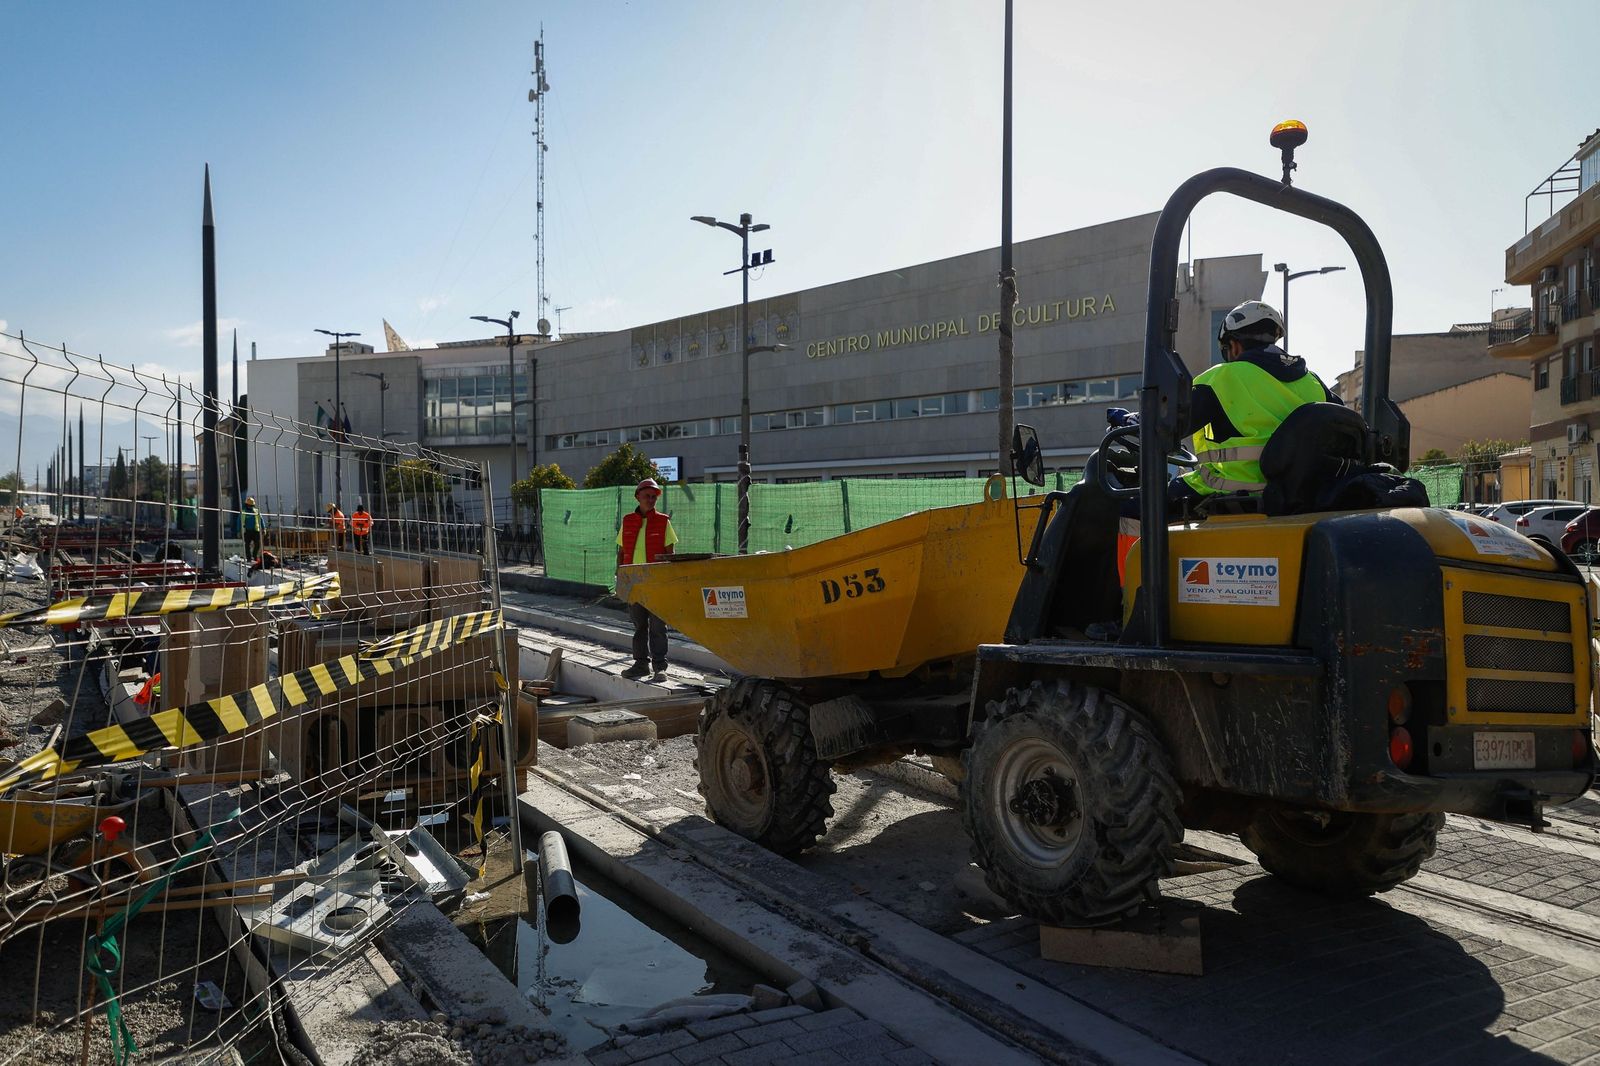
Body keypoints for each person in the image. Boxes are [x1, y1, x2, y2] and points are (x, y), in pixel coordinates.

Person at [1174, 300, 1340, 504]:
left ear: (1233, 347)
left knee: (1135, 503)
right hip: (1308, 499)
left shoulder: (1221, 379)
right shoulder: (1315, 383)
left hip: (1233, 497)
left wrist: (1128, 420)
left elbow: (1165, 424)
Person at [616, 478, 677, 682]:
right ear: (638, 497)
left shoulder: (663, 521)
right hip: (634, 583)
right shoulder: (627, 521)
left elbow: (671, 553)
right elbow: (622, 550)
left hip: (657, 582)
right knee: (639, 625)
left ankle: (660, 666)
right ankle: (641, 664)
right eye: (647, 496)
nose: (651, 500)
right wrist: (620, 576)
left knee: (658, 626)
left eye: (653, 497)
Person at [241, 496, 264, 560]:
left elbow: (261, 520)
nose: (250, 506)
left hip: (256, 530)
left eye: (251, 505)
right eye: (249, 505)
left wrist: (264, 528)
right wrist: (238, 531)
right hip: (247, 531)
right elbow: (239, 522)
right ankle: (248, 558)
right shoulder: (244, 512)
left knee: (257, 544)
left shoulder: (256, 511)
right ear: (246, 505)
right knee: (247, 545)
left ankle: (255, 555)